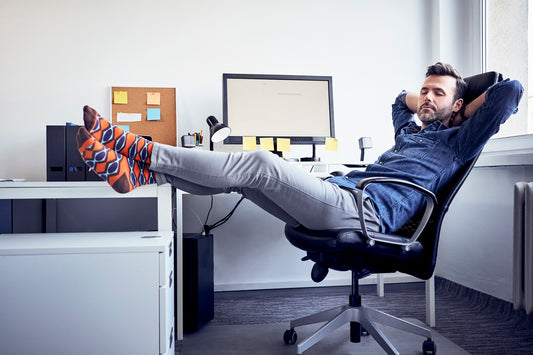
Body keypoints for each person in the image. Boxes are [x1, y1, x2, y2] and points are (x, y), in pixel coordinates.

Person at [77, 62, 523, 234]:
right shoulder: (411, 134)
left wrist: (462, 107)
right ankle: (139, 175)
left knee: (258, 164)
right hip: (342, 192)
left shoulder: (459, 142)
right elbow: (396, 100)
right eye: (424, 90)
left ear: (461, 106)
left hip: (366, 211)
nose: (426, 97)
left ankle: (135, 146)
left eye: (438, 94)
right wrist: (432, 101)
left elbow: (510, 93)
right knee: (247, 182)